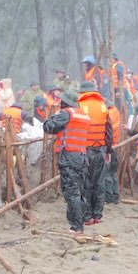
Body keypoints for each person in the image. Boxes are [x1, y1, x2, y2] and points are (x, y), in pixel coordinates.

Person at [44, 91, 91, 234]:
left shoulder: (66, 114)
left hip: (69, 155)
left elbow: (48, 127)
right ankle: (81, 221)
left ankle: (76, 226)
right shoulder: (84, 115)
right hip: (82, 155)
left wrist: (54, 114)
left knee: (72, 191)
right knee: (81, 191)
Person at [77, 81, 112, 225]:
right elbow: (108, 131)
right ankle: (98, 215)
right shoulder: (103, 106)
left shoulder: (79, 105)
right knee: (99, 183)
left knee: (85, 183)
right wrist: (108, 150)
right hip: (100, 149)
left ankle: (87, 216)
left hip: (84, 150)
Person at [101, 100, 122, 204]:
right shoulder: (116, 112)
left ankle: (108, 198)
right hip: (115, 146)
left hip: (109, 148)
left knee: (107, 173)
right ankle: (115, 197)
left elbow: (106, 133)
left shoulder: (108, 115)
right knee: (113, 173)